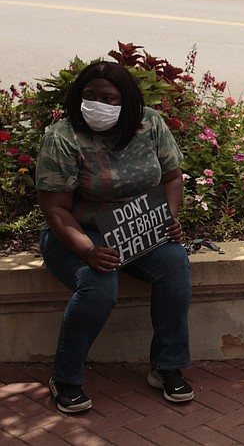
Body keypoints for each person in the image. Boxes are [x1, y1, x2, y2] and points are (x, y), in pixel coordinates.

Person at [36, 61, 193, 413]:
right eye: (89, 96)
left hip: (136, 225)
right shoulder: (62, 138)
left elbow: (172, 178)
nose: (97, 104)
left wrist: (167, 219)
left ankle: (167, 367)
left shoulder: (150, 124)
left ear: (127, 102)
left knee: (174, 263)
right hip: (75, 232)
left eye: (108, 98)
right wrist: (89, 250)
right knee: (99, 284)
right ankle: (65, 378)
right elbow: (56, 209)